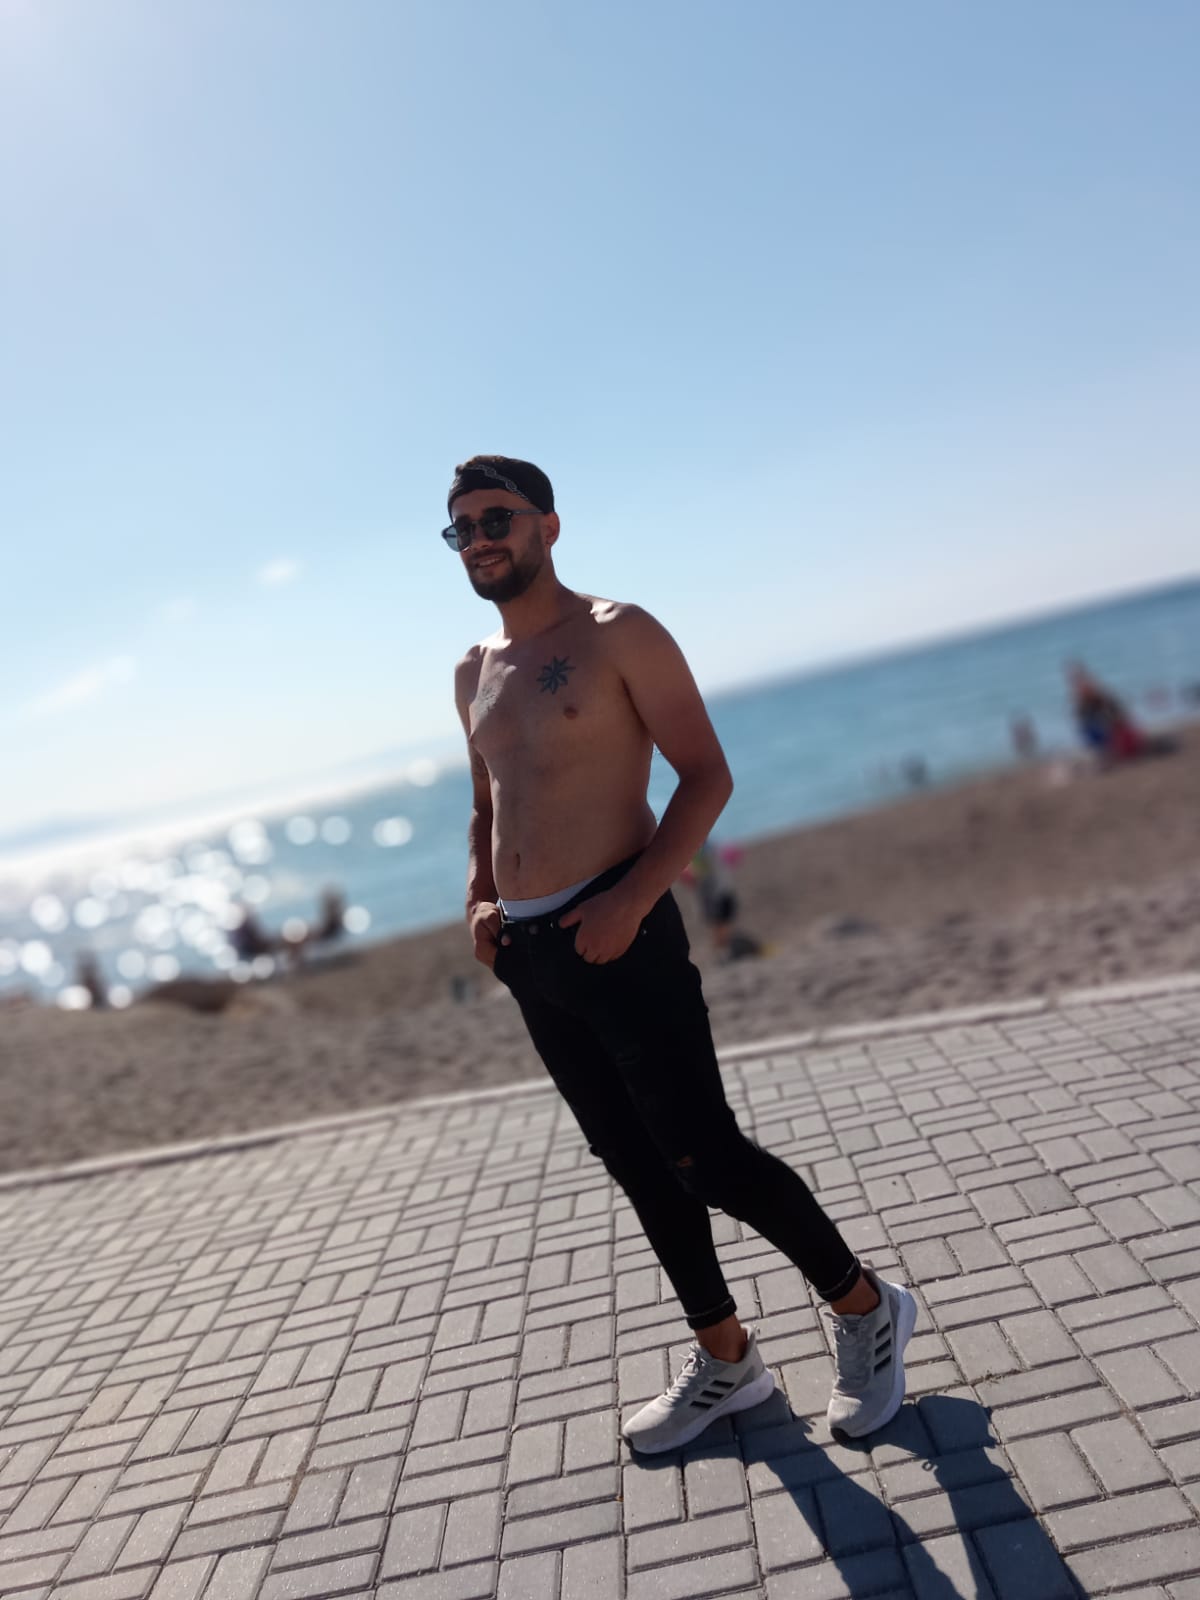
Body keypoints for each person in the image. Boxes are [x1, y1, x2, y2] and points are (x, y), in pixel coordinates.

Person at [447, 454, 917, 1453]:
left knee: (707, 1156)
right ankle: (727, 1357)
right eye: (463, 528)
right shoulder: (470, 670)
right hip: (532, 956)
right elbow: (488, 802)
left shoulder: (619, 632)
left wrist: (632, 899)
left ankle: (867, 1307)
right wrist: (480, 895)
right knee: (635, 1163)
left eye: (497, 518)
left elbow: (705, 776)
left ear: (547, 526)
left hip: (623, 934)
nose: (480, 539)